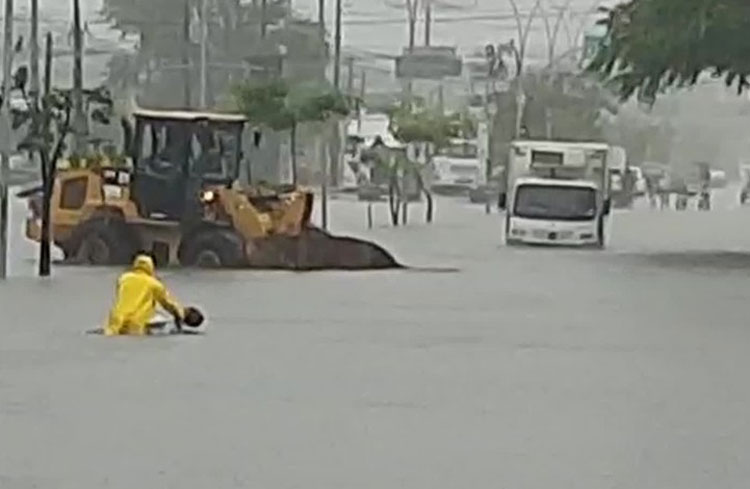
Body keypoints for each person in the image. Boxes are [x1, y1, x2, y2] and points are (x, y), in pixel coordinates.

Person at [104, 254, 185, 336]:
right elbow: (168, 303)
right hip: (136, 322)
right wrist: (179, 314)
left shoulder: (123, 278)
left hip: (116, 318)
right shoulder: (154, 284)